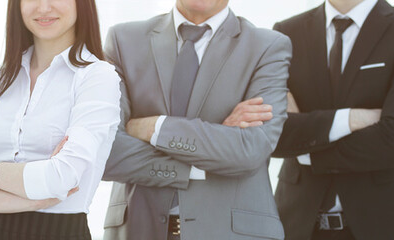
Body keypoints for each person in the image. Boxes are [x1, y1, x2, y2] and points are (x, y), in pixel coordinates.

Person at [101, 0, 292, 239]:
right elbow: (105, 152)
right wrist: (212, 150)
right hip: (138, 229)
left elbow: (250, 149)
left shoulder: (268, 46)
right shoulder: (123, 40)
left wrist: (156, 128)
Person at [0, 0, 120, 239]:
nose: (44, 7)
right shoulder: (0, 81)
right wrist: (33, 201)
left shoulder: (97, 76)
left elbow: (61, 179)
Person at [271, 0, 394, 239]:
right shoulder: (286, 34)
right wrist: (348, 119)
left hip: (383, 225)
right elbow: (273, 135)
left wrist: (307, 150)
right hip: (297, 225)